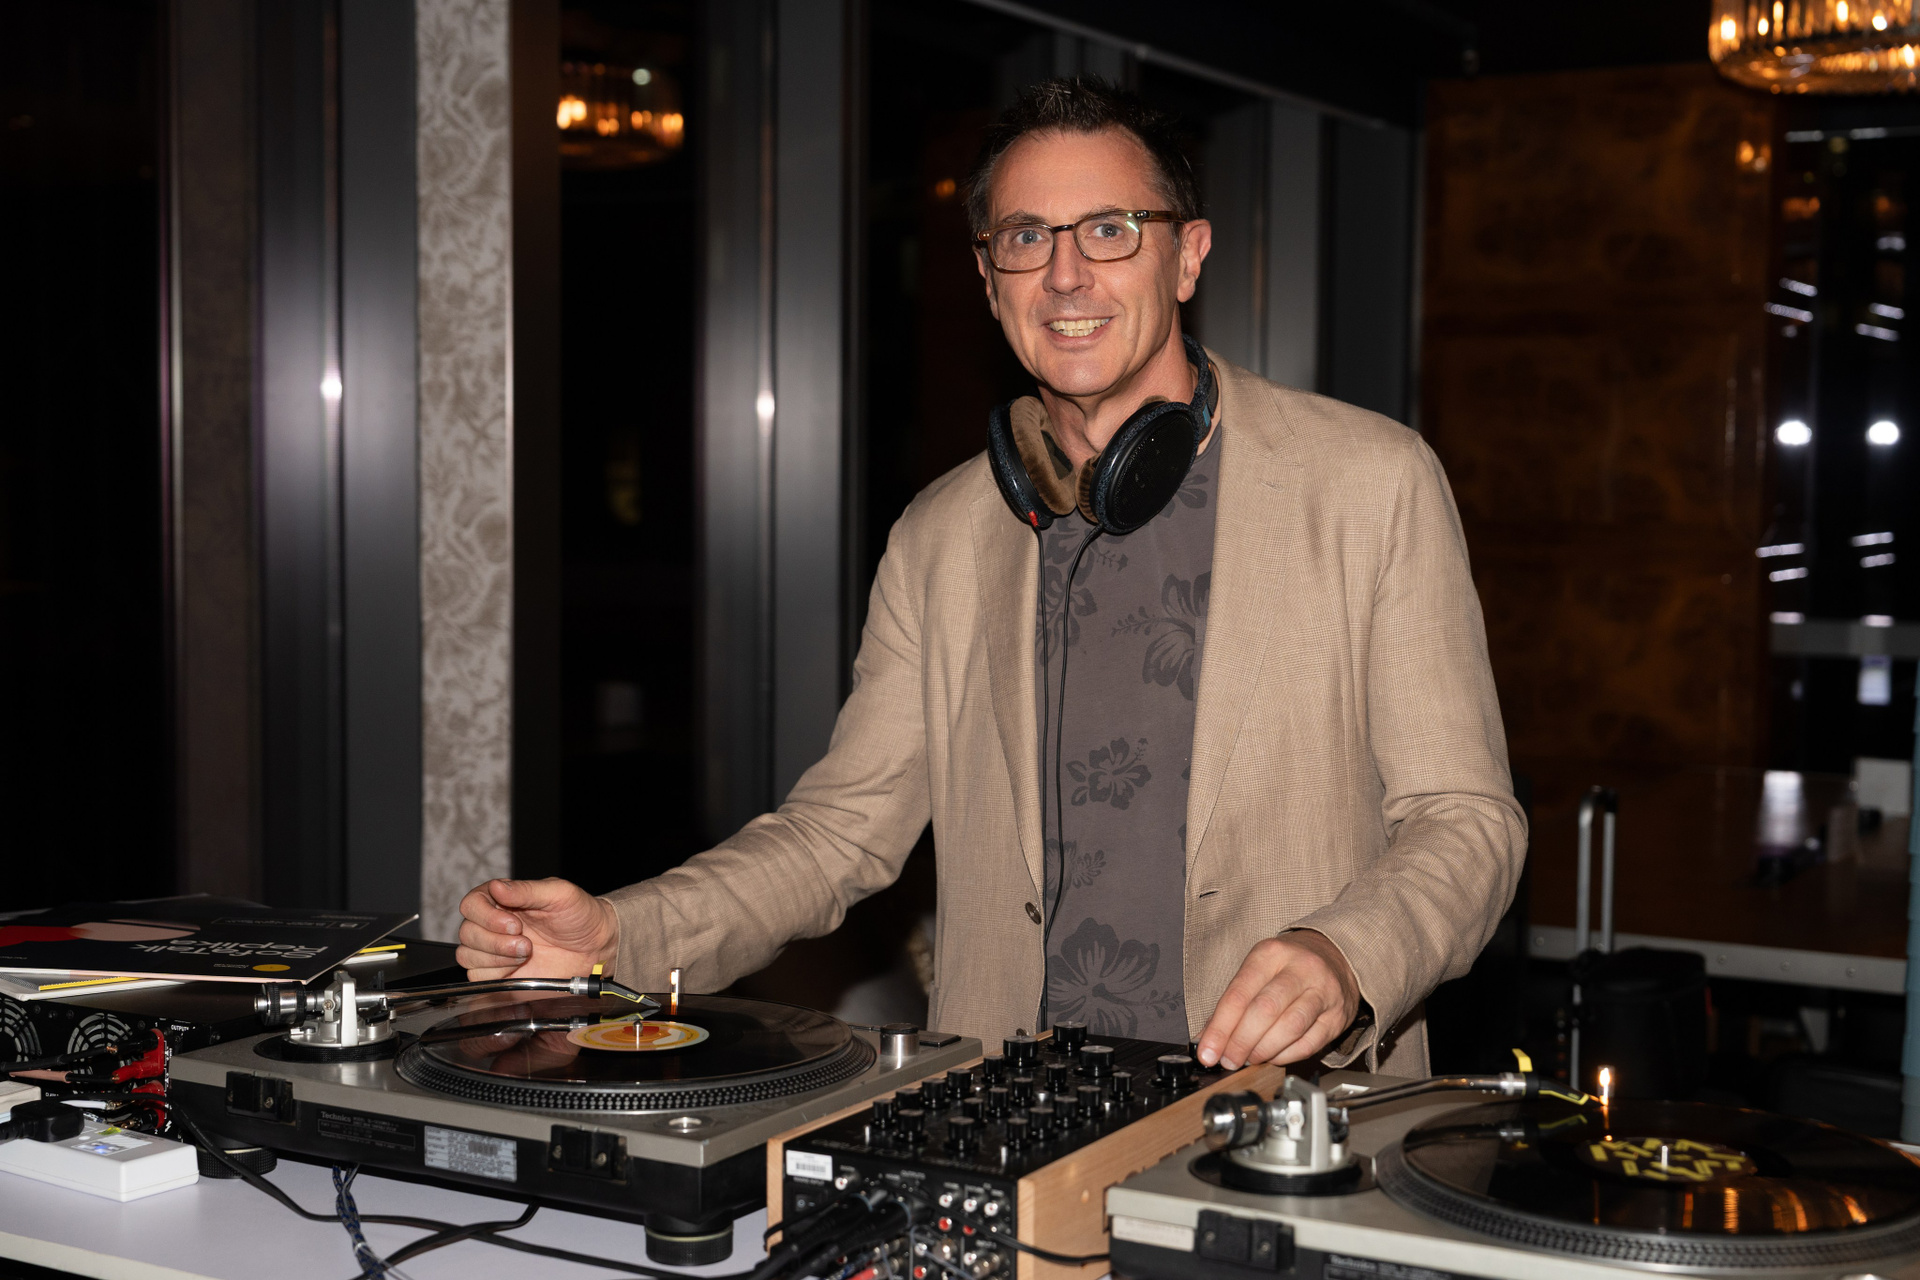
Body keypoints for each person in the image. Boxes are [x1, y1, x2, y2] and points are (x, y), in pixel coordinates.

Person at [458, 78, 1525, 1075]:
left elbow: (1467, 819)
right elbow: (836, 835)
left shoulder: (1369, 484)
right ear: (987, 278)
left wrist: (1345, 953)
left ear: (1188, 256)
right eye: (1025, 237)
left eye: (1110, 229)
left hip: (1287, 1124)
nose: (1066, 275)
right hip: (1008, 1123)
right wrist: (619, 933)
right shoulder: (940, 536)